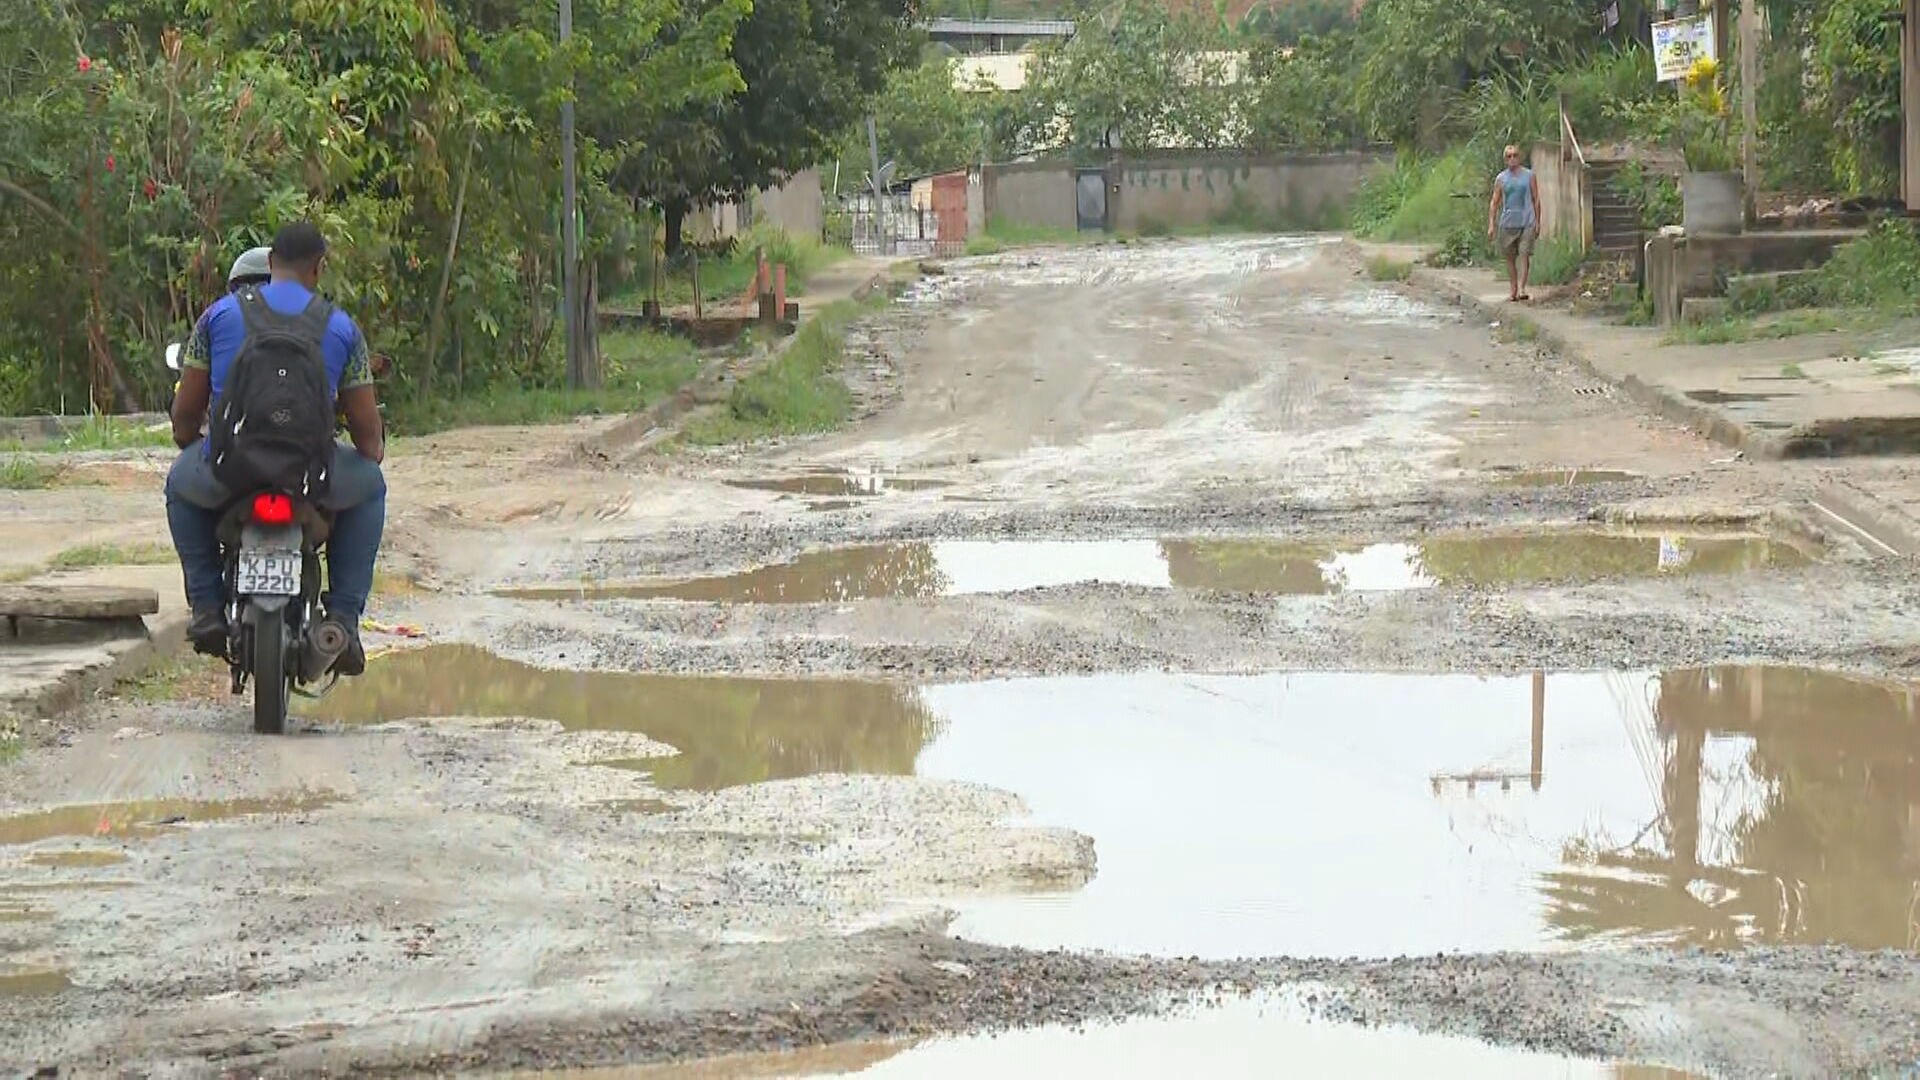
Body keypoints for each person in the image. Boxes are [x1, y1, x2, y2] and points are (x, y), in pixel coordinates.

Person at [165, 222, 386, 675]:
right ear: (318, 269)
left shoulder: (216, 318)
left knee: (178, 485)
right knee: (372, 487)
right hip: (310, 476)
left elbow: (185, 415)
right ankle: (343, 621)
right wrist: (370, 450)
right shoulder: (342, 328)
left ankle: (206, 606)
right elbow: (368, 438)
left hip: (231, 470)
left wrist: (195, 448)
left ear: (270, 263)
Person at [1487, 145, 1542, 303]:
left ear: (1520, 157)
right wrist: (1491, 224)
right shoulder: (1501, 179)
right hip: (1508, 222)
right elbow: (1495, 202)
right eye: (1509, 156)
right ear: (1505, 159)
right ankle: (1514, 289)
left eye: (1515, 155)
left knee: (1524, 254)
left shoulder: (1529, 176)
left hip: (1527, 221)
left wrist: (1538, 221)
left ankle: (1522, 288)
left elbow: (1536, 199)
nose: (1512, 159)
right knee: (1510, 258)